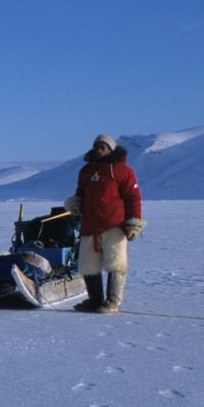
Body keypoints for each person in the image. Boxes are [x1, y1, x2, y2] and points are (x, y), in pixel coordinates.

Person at [66, 134, 146, 313]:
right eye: (97, 146)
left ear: (111, 150)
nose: (99, 150)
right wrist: (75, 204)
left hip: (114, 225)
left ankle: (112, 301)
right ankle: (94, 300)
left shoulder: (123, 171)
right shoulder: (86, 171)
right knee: (88, 265)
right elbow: (80, 193)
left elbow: (133, 198)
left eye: (103, 147)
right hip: (90, 225)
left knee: (115, 264)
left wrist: (134, 222)